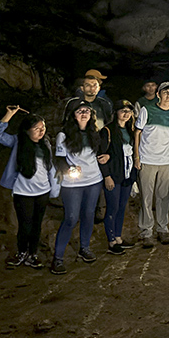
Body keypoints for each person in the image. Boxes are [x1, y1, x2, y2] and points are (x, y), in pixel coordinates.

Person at [0, 106, 60, 269]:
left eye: (43, 127)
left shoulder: (46, 144)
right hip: (23, 192)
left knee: (37, 225)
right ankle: (21, 252)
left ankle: (32, 254)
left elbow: (50, 167)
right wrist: (9, 114)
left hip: (42, 191)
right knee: (25, 225)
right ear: (27, 130)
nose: (41, 131)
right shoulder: (17, 141)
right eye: (36, 128)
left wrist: (54, 188)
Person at [51, 100, 108, 274]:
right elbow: (60, 159)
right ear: (72, 115)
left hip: (94, 180)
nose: (84, 114)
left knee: (89, 214)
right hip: (73, 183)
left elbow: (100, 153)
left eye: (87, 111)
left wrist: (105, 157)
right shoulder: (64, 135)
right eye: (79, 111)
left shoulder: (94, 133)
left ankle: (85, 247)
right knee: (71, 217)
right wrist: (69, 169)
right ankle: (58, 258)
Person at [134, 81, 169, 248]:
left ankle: (162, 228)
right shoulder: (147, 110)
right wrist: (137, 156)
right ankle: (146, 231)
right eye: (166, 92)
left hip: (166, 160)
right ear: (159, 94)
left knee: (164, 196)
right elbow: (137, 132)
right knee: (146, 197)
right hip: (147, 159)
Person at [99, 100, 138, 255]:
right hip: (114, 176)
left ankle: (118, 237)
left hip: (127, 175)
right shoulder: (107, 131)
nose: (126, 113)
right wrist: (107, 176)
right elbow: (101, 156)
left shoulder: (131, 130)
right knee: (112, 207)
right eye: (122, 110)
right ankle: (111, 241)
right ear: (116, 113)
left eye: (129, 111)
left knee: (122, 207)